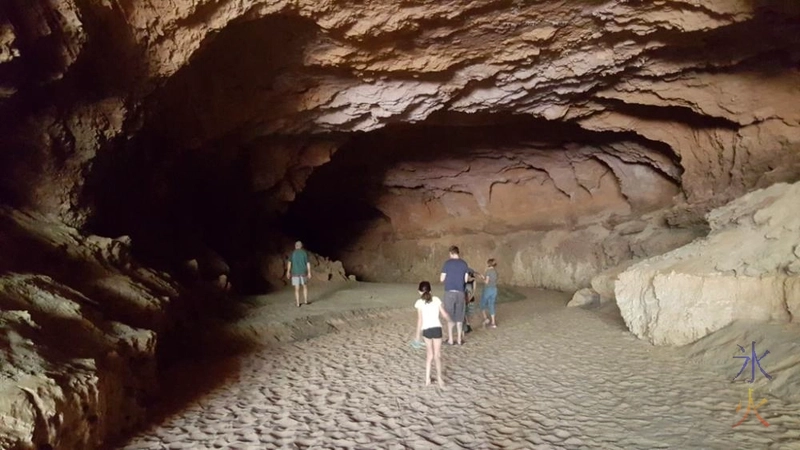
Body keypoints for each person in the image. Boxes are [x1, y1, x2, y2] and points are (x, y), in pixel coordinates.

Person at [415, 281, 451, 388]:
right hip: (437, 329)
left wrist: (417, 335)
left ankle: (427, 379)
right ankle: (440, 379)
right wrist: (450, 320)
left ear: (419, 292)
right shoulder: (436, 300)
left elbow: (420, 320)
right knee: (437, 355)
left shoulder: (419, 303)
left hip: (426, 330)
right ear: (431, 290)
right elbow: (444, 314)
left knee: (429, 355)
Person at [440, 246, 470, 345]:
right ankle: (460, 340)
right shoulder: (464, 264)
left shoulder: (447, 263)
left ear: (451, 253)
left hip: (449, 292)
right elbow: (466, 280)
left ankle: (451, 340)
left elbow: (441, 279)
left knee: (450, 316)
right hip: (460, 293)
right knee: (459, 316)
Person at [286, 241, 312, 307]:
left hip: (295, 273)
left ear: (295, 246)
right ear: (301, 246)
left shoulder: (292, 253)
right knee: (304, 286)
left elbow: (289, 263)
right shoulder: (304, 253)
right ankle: (305, 301)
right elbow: (308, 263)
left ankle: (298, 303)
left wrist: (288, 272)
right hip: (303, 272)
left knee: (296, 288)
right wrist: (309, 272)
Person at [480, 258, 499, 328]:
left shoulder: (488, 271)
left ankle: (486, 319)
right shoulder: (495, 272)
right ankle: (493, 323)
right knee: (491, 304)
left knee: (482, 304)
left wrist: (482, 278)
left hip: (488, 289)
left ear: (489, 264)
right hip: (494, 289)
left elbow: (486, 282)